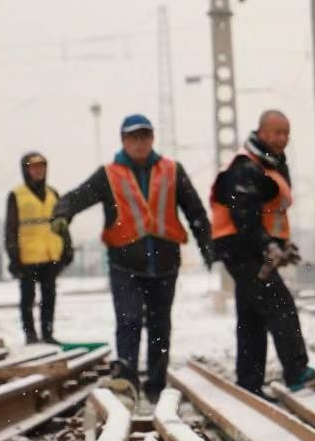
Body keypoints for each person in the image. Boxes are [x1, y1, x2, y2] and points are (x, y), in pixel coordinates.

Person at [53, 114, 212, 402]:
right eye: (133, 138)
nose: (139, 143)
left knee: (160, 325)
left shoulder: (172, 171)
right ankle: (126, 383)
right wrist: (62, 214)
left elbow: (195, 210)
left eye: (144, 137)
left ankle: (156, 385)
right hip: (124, 264)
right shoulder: (108, 175)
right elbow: (78, 197)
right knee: (129, 320)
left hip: (164, 264)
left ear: (152, 139)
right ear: (123, 141)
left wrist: (207, 245)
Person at [208, 110, 315, 395]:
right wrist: (267, 245)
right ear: (261, 132)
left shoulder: (269, 165)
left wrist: (280, 243)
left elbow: (266, 214)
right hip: (241, 249)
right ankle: (296, 371)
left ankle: (249, 384)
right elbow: (245, 216)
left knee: (252, 315)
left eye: (286, 133)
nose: (282, 138)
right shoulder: (245, 167)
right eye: (276, 132)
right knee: (280, 304)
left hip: (249, 247)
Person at [4, 151, 72, 345]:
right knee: (28, 297)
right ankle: (30, 334)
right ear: (26, 170)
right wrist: (13, 256)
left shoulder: (53, 194)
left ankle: (48, 333)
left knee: (49, 296)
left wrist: (67, 247)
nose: (38, 171)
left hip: (50, 254)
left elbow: (62, 225)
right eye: (34, 167)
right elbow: (11, 228)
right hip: (27, 256)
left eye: (41, 167)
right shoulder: (17, 195)